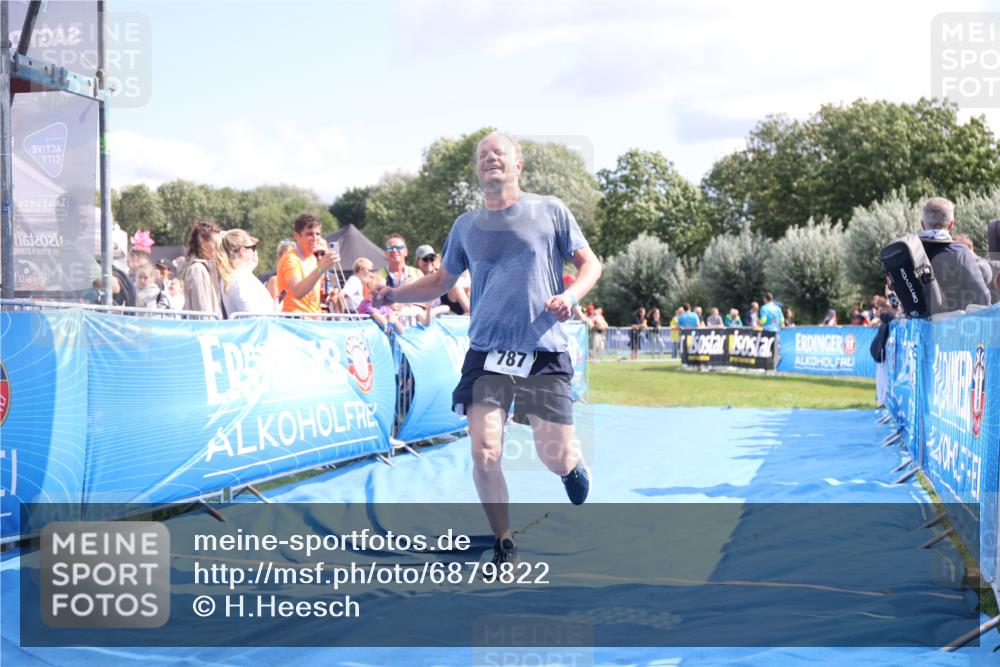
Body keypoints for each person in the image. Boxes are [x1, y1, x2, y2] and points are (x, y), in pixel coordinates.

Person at [371, 130, 601, 567]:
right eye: (482, 155)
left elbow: (590, 263)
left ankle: (571, 466)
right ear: (478, 169)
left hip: (543, 349)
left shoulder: (550, 210)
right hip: (487, 352)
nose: (490, 158)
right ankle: (504, 539)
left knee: (553, 455)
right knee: (485, 450)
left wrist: (571, 298)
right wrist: (392, 296)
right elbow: (441, 282)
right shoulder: (465, 226)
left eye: (499, 153)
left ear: (518, 165)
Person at [918, 197, 990, 313]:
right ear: (951, 224)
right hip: (955, 327)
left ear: (922, 224)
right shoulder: (960, 252)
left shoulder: (910, 252)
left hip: (917, 328)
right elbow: (983, 297)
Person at [276, 213, 341, 314]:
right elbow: (298, 292)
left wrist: (331, 293)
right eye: (309, 234)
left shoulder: (312, 257)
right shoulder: (290, 259)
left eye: (318, 234)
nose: (315, 238)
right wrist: (320, 268)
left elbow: (312, 289)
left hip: (313, 318)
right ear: (297, 236)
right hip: (294, 321)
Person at [216, 229, 276, 316]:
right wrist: (276, 311)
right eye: (253, 248)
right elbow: (252, 317)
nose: (254, 251)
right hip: (258, 328)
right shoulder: (241, 280)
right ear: (243, 251)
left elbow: (254, 262)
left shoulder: (232, 276)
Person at [179, 220, 224, 317]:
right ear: (202, 242)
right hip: (205, 329)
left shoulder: (205, 268)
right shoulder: (197, 270)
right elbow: (202, 311)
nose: (218, 247)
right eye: (215, 243)